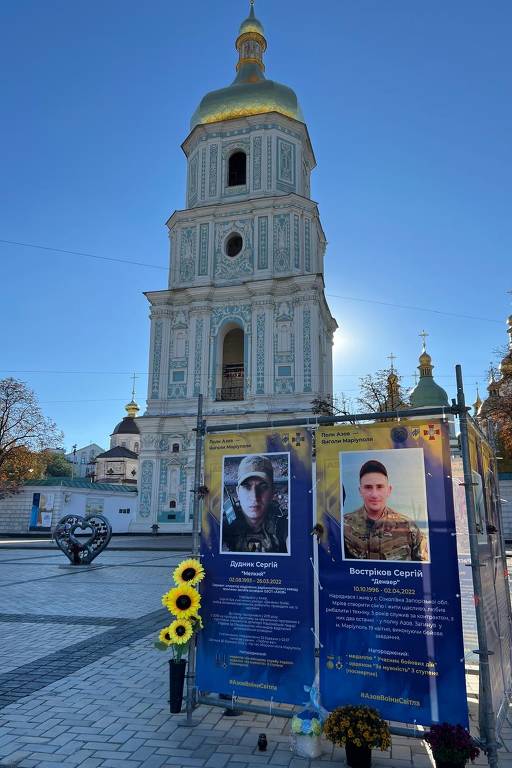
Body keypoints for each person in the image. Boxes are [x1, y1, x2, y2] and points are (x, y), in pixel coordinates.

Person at [343, 459, 428, 561]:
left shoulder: (409, 528)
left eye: (380, 487)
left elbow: (425, 570)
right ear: (360, 491)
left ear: (389, 490)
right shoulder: (343, 526)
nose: (374, 494)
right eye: (368, 487)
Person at [221, 454, 288, 553]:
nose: (254, 496)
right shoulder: (226, 520)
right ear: (238, 492)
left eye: (263, 486)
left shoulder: (283, 522)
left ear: (273, 491)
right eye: (246, 486)